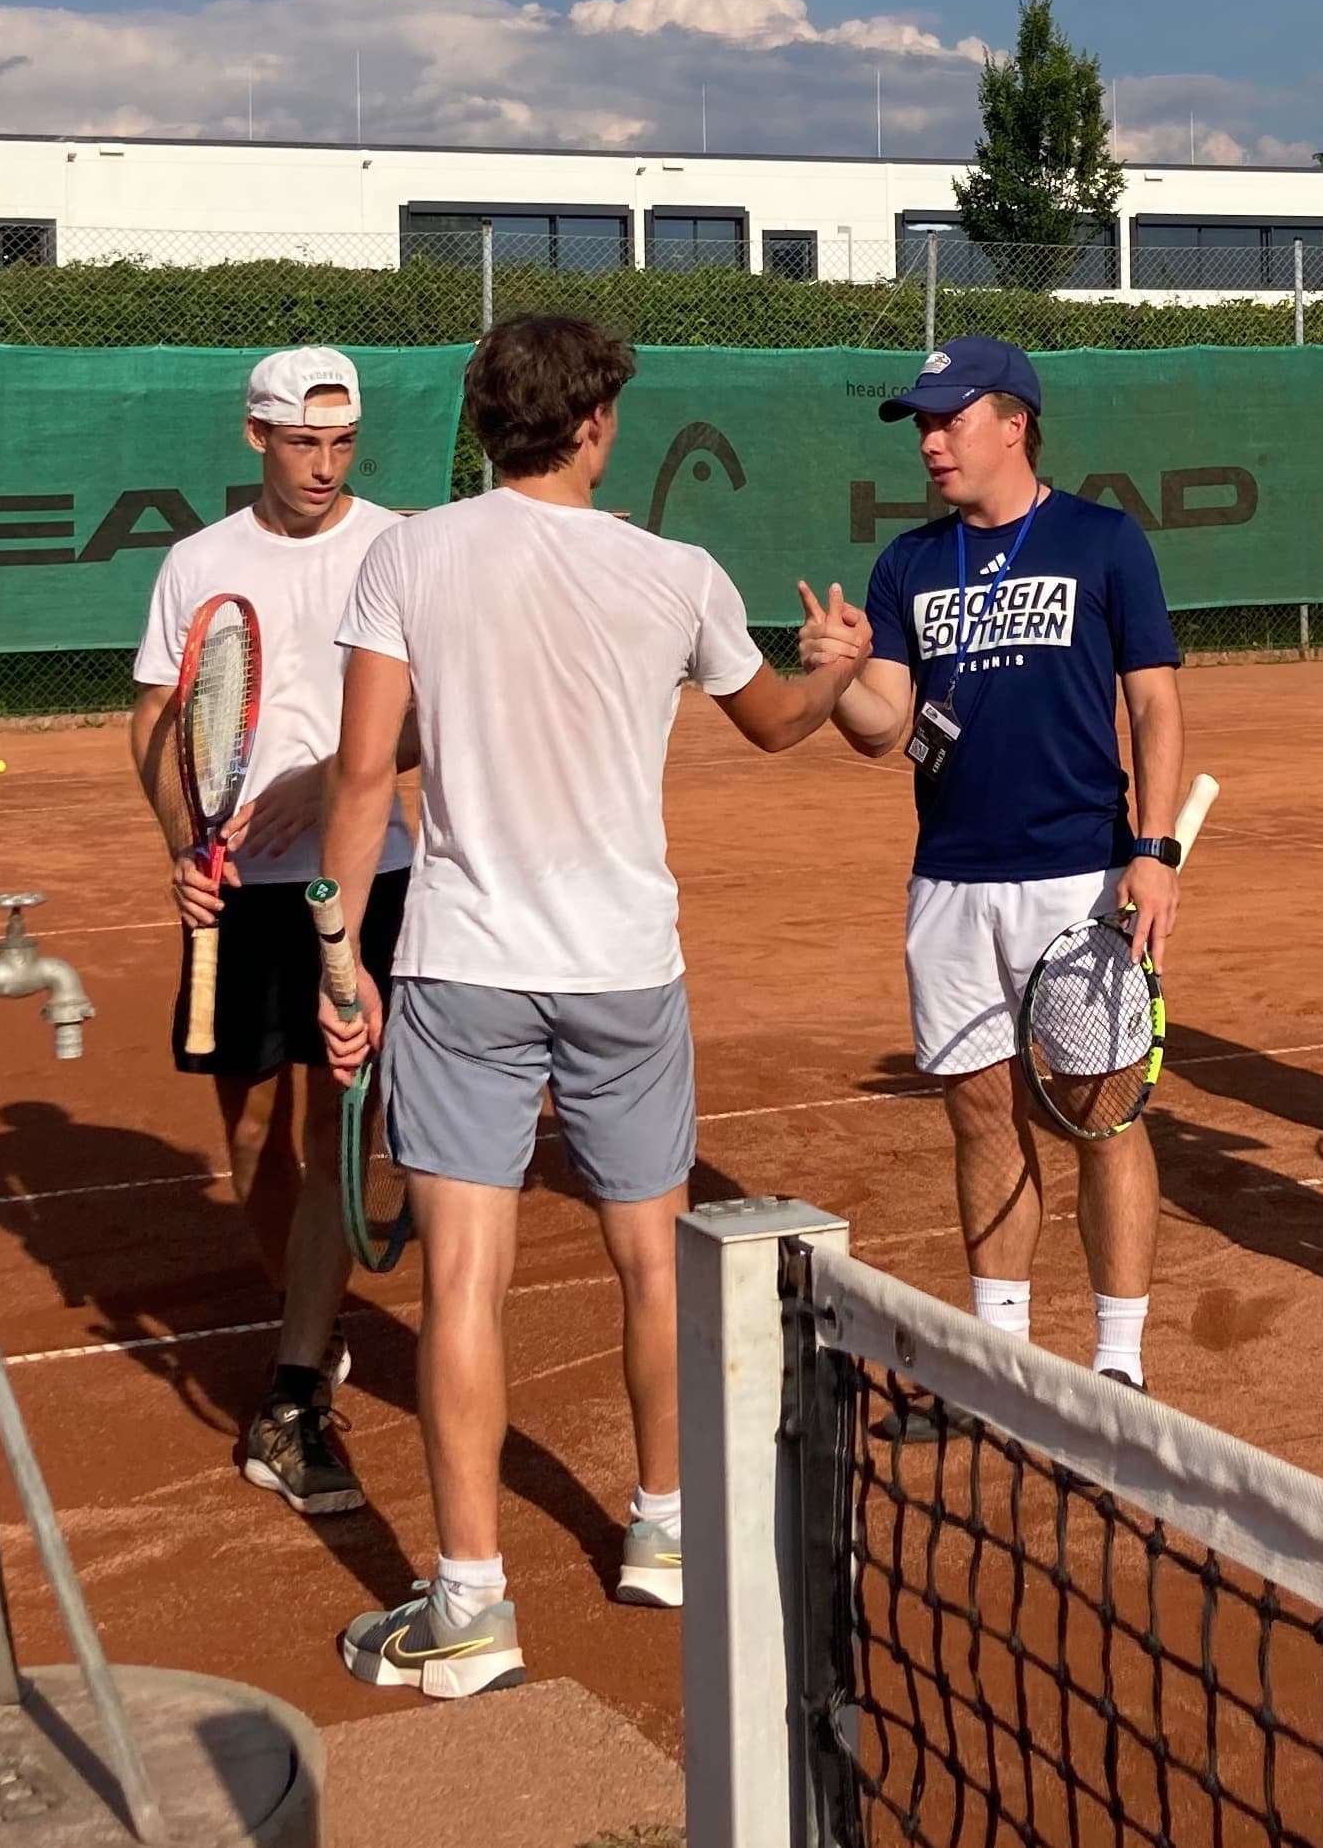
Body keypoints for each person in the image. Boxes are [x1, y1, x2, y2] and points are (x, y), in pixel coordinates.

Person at [313, 312, 871, 1699]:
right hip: (627, 967)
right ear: (599, 421)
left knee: (460, 1280)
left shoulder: (407, 552)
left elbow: (365, 769)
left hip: (465, 964)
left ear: (488, 420)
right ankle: (667, 1532)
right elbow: (779, 723)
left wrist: (336, 947)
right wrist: (839, 666)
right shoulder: (676, 572)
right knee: (650, 1257)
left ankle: (471, 1602)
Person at [825, 336, 1185, 1396]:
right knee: (983, 1116)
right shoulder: (909, 562)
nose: (931, 441)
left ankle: (1117, 1364)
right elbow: (888, 726)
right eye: (922, 424)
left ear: (1014, 421)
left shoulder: (1104, 540)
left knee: (1101, 1112)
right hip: (949, 880)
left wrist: (1153, 849)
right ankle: (1002, 1365)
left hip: (1077, 874)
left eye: (949, 418)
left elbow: (1155, 700)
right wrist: (842, 678)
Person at [130, 347, 415, 1518]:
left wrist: (339, 780)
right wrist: (180, 844)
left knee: (345, 1117)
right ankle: (315, 1318)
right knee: (253, 1139)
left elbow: (434, 719)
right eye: (303, 443)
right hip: (234, 892)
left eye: (343, 444)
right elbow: (153, 718)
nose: (324, 465)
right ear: (256, 436)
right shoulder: (198, 561)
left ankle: (296, 1376)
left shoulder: (400, 546)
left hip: (366, 877)